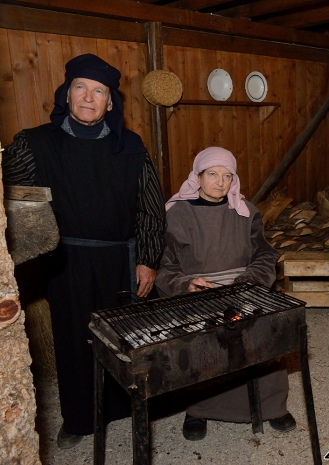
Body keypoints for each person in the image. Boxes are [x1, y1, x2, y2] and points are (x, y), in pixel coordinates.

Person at [1, 54, 166, 448]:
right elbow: (13, 207)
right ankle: (79, 419)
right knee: (76, 341)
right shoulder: (35, 144)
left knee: (129, 337)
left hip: (121, 259)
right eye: (81, 87)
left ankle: (129, 407)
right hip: (67, 262)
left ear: (111, 103)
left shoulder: (130, 148)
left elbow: (150, 208)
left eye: (99, 91)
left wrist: (147, 258)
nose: (88, 97)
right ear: (67, 93)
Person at [155, 147, 295, 441]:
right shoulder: (177, 214)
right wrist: (187, 284)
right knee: (203, 347)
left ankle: (272, 407)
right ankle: (199, 409)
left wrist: (249, 281)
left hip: (245, 289)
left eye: (227, 176)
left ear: (234, 180)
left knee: (267, 336)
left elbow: (265, 255)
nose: (220, 182)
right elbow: (164, 267)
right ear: (198, 176)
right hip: (199, 295)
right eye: (213, 174)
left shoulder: (245, 211)